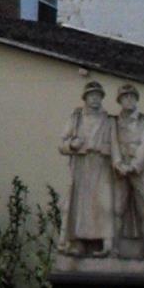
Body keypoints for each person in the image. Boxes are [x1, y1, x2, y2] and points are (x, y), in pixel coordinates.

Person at [58, 81, 114, 257]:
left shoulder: (109, 120)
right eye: (92, 96)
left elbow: (118, 145)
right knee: (80, 205)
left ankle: (104, 241)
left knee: (103, 203)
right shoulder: (76, 118)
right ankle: (79, 242)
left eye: (98, 95)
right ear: (85, 98)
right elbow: (61, 144)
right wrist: (72, 145)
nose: (95, 99)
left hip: (102, 164)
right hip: (82, 165)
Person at [112, 83, 144, 258]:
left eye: (132, 97)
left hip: (140, 169)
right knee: (117, 208)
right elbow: (113, 144)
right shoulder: (115, 121)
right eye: (125, 97)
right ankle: (114, 247)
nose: (129, 100)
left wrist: (134, 166)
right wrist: (118, 164)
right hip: (120, 169)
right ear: (120, 100)